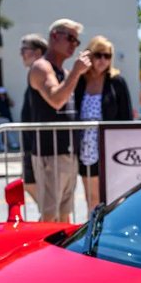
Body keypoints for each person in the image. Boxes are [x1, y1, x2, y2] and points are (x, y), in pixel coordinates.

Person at [28, 19, 91, 222]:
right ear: (55, 36)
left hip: (67, 151)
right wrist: (76, 72)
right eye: (70, 38)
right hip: (49, 152)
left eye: (77, 41)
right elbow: (56, 100)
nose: (74, 44)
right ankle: (45, 253)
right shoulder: (41, 67)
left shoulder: (63, 72)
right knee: (49, 214)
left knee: (65, 213)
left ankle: (61, 253)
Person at [74, 35, 133, 210]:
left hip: (110, 146)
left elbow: (126, 116)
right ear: (90, 55)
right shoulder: (80, 80)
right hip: (86, 145)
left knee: (111, 197)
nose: (102, 60)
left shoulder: (117, 82)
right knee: (91, 198)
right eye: (98, 55)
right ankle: (92, 232)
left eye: (107, 56)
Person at [17, 34, 48, 206]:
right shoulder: (34, 73)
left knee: (34, 185)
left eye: (24, 50)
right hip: (30, 141)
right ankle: (47, 214)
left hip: (37, 144)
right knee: (29, 184)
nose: (21, 54)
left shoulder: (41, 71)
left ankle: (49, 217)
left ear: (37, 52)